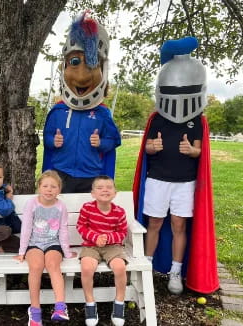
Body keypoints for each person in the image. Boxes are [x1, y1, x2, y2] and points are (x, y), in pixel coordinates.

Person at [132, 37, 219, 295]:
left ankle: (175, 272)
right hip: (158, 179)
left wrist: (193, 151)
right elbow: (146, 148)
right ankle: (145, 268)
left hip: (185, 182)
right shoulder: (156, 119)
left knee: (179, 226)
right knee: (155, 224)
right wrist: (152, 147)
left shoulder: (198, 121)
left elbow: (201, 153)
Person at [42, 13, 121, 193]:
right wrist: (53, 141)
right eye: (75, 62)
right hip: (61, 173)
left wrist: (100, 142)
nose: (82, 76)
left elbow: (113, 140)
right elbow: (46, 139)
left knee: (86, 217)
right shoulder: (58, 111)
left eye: (92, 65)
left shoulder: (102, 113)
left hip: (90, 175)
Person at [14, 170, 77, 326]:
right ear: (39, 187)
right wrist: (22, 252)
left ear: (59, 189)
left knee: (53, 265)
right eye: (45, 186)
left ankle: (60, 308)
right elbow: (26, 228)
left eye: (54, 187)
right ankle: (35, 311)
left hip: (53, 243)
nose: (49, 189)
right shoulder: (32, 204)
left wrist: (67, 252)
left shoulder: (61, 206)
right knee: (36, 266)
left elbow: (62, 230)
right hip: (34, 243)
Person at [76, 175, 128, 326]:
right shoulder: (87, 208)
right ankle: (90, 303)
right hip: (91, 245)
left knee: (120, 267)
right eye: (99, 188)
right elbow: (81, 226)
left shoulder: (119, 211)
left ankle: (119, 302)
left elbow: (122, 232)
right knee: (86, 268)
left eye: (109, 187)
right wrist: (95, 237)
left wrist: (108, 238)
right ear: (93, 193)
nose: (104, 190)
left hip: (113, 247)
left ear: (115, 192)